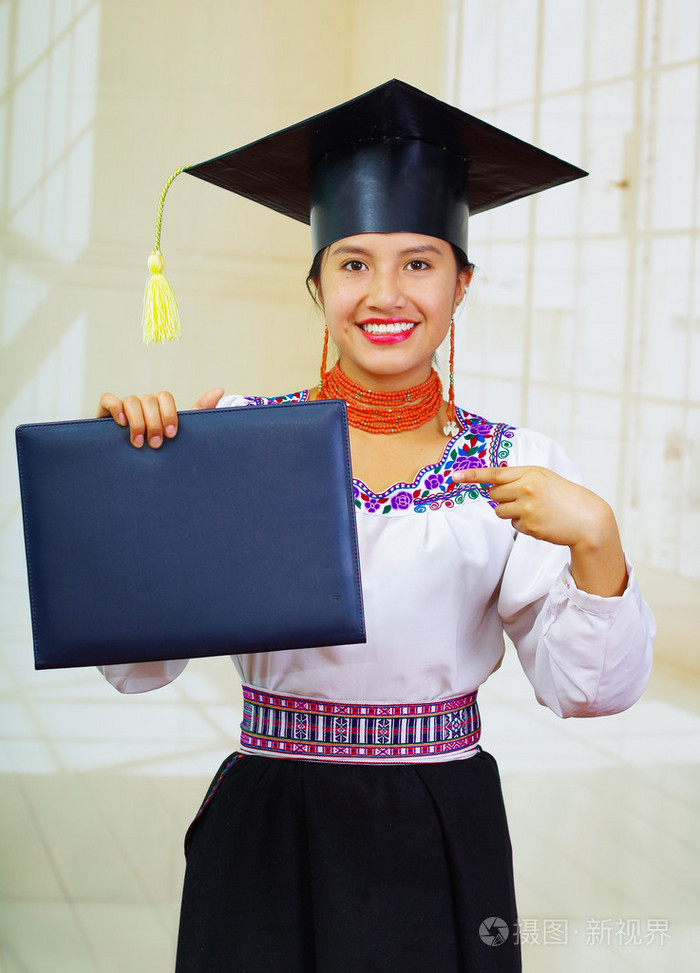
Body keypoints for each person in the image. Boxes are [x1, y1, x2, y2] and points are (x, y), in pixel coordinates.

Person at [96, 81, 654, 972]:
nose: (385, 293)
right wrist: (147, 487)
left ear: (462, 283)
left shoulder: (513, 468)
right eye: (352, 263)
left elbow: (585, 690)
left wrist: (598, 540)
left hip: (442, 821)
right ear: (316, 282)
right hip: (271, 819)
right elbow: (136, 667)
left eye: (420, 262)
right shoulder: (241, 436)